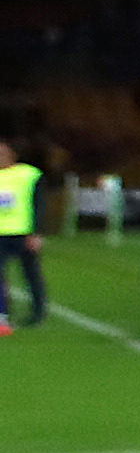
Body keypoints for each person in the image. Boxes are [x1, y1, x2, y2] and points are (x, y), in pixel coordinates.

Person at [0, 135, 40, 332]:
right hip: (1, 233)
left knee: (31, 273)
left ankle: (38, 311)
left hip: (23, 232)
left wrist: (36, 232)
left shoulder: (27, 174)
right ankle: (3, 313)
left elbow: (38, 203)